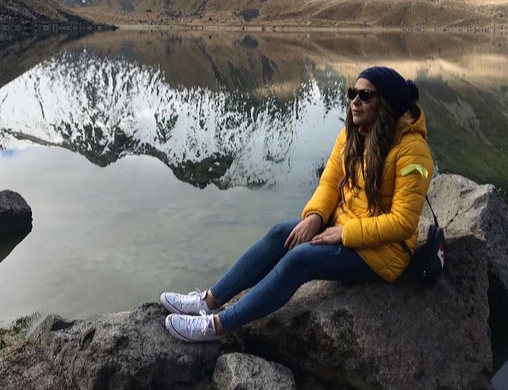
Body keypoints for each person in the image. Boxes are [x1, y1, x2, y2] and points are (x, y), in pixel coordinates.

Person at [160, 66, 434, 342]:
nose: (355, 101)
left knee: (298, 260)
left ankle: (217, 327)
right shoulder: (355, 133)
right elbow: (330, 182)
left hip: (382, 252)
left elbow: (403, 223)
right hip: (346, 226)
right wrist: (314, 216)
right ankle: (209, 300)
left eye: (365, 95)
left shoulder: (413, 151)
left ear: (386, 104)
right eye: (353, 93)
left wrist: (344, 233)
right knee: (282, 233)